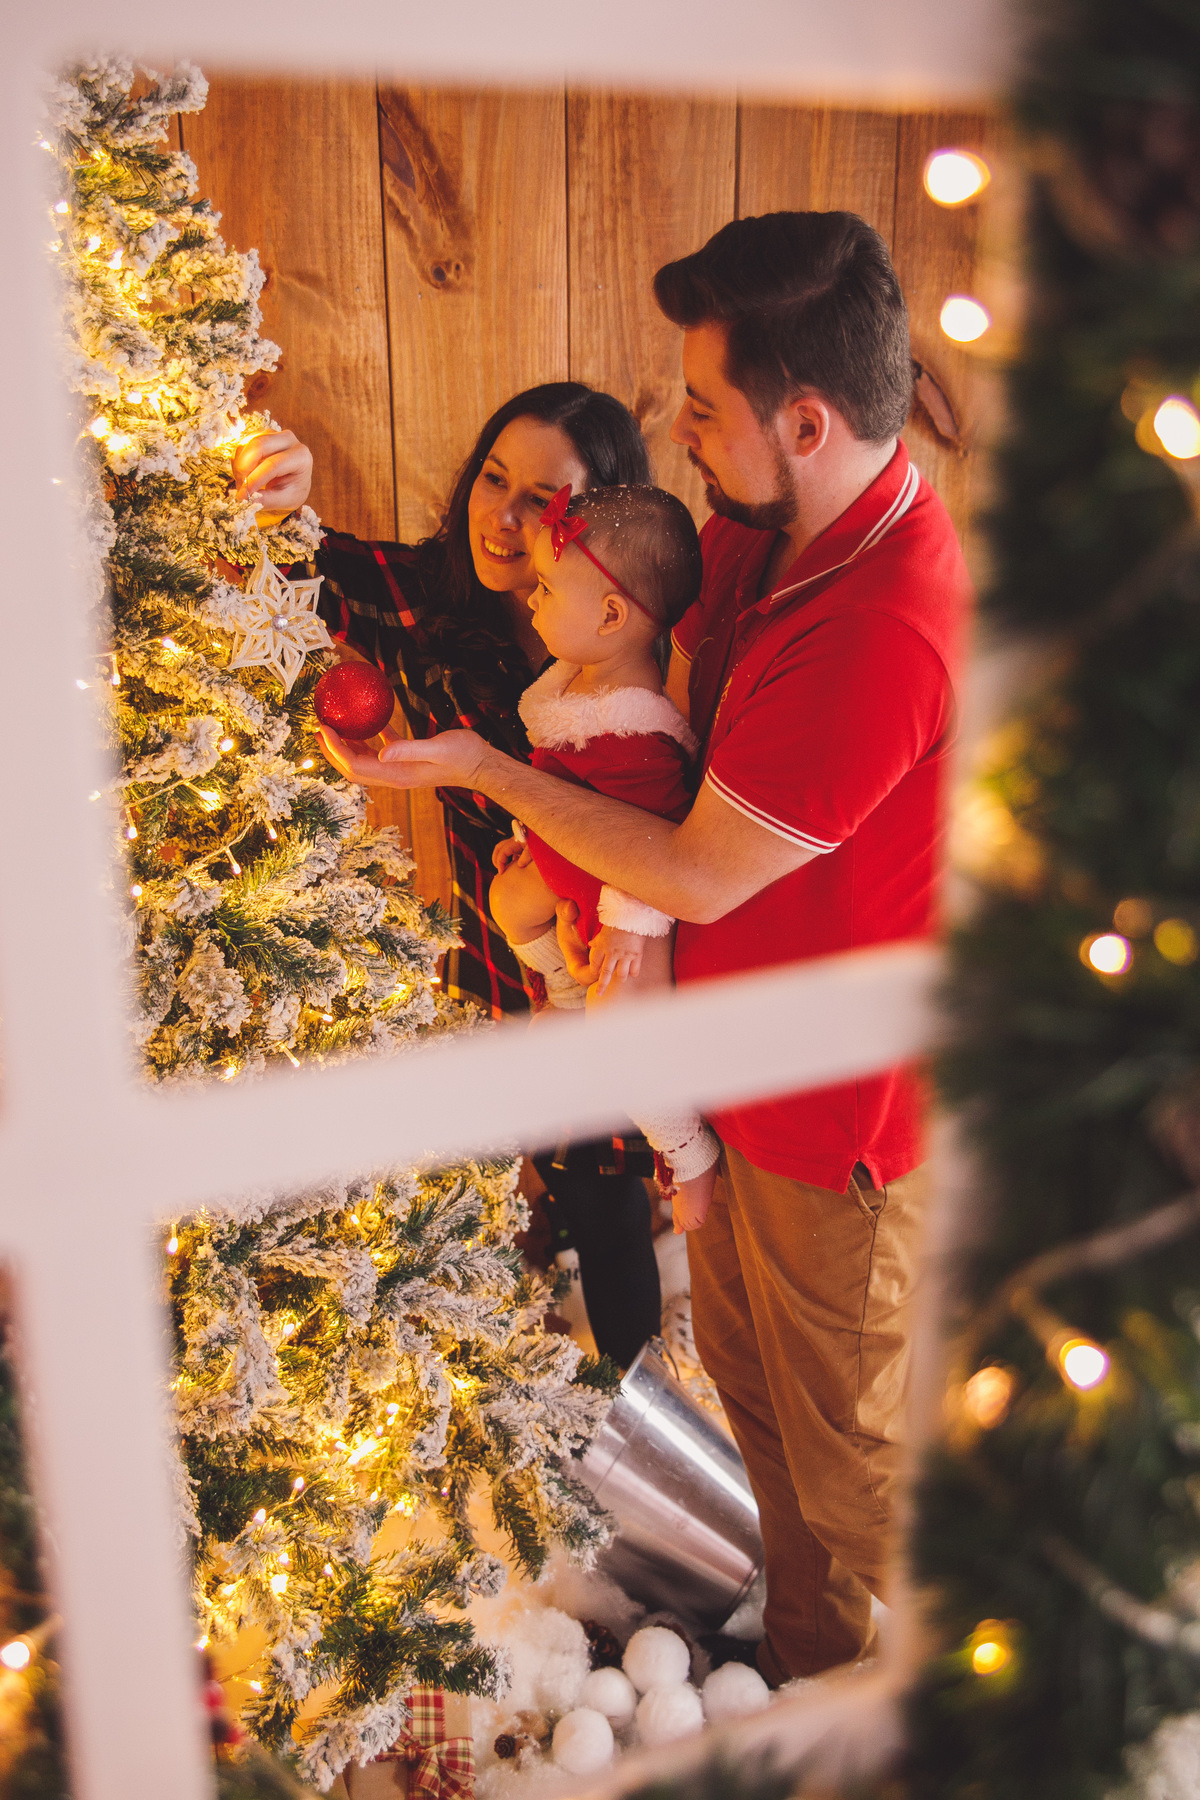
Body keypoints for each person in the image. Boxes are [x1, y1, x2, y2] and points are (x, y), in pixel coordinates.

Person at [316, 212, 971, 1686]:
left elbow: (690, 866)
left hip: (824, 1110)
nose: (672, 429)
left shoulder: (887, 624)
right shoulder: (760, 528)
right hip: (720, 1073)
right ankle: (810, 1670)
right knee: (750, 1389)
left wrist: (489, 776)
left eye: (701, 406)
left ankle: (950, 1701)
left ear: (806, 421)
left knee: (847, 1440)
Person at [232, 383, 664, 1371]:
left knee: (606, 1188)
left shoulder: (639, 638)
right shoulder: (426, 597)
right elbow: (296, 566)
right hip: (499, 957)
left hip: (619, 959)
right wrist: (280, 496)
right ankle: (536, 1363)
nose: (502, 518)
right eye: (492, 480)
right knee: (528, 1174)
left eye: (540, 498)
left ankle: (642, 1405)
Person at [488, 483, 720, 1230]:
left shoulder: (634, 729)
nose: (531, 598)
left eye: (549, 587)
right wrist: (528, 841)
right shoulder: (580, 690)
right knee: (509, 899)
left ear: (612, 616)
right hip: (574, 877)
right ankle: (557, 993)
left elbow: (651, 832)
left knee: (623, 1030)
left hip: (630, 908)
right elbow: (562, 791)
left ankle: (687, 1157)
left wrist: (623, 926)